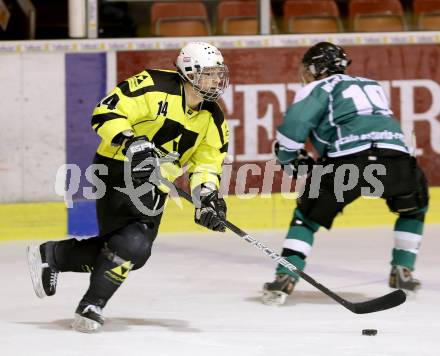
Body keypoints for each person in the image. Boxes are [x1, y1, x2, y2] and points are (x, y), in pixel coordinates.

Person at [27, 41, 230, 332]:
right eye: (209, 73)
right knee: (132, 244)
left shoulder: (214, 117)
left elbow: (207, 164)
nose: (216, 80)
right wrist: (132, 141)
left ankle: (54, 255)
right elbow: (105, 113)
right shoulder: (152, 85)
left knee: (136, 254)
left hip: (155, 185)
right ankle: (90, 305)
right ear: (189, 72)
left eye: (218, 73)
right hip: (116, 170)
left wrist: (207, 197)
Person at [262, 42, 429, 306]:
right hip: (395, 158)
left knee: (305, 217)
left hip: (348, 163)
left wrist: (287, 158)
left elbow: (294, 128)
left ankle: (286, 275)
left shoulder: (317, 87)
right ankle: (403, 269)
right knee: (414, 206)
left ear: (315, 68)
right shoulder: (372, 85)